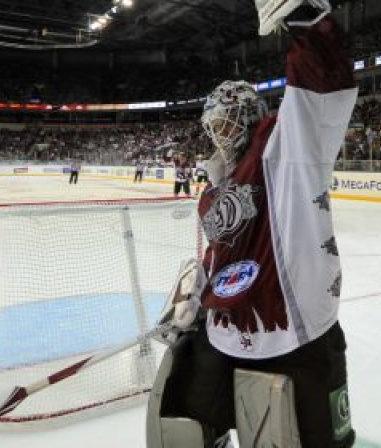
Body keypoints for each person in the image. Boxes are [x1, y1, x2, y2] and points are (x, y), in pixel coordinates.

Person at [150, 1, 357, 447]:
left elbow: (324, 91)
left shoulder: (282, 151)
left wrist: (305, 20)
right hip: (226, 329)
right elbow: (225, 251)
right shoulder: (219, 182)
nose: (219, 136)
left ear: (247, 115)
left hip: (294, 333)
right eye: (213, 128)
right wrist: (196, 297)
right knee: (183, 421)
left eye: (226, 123)